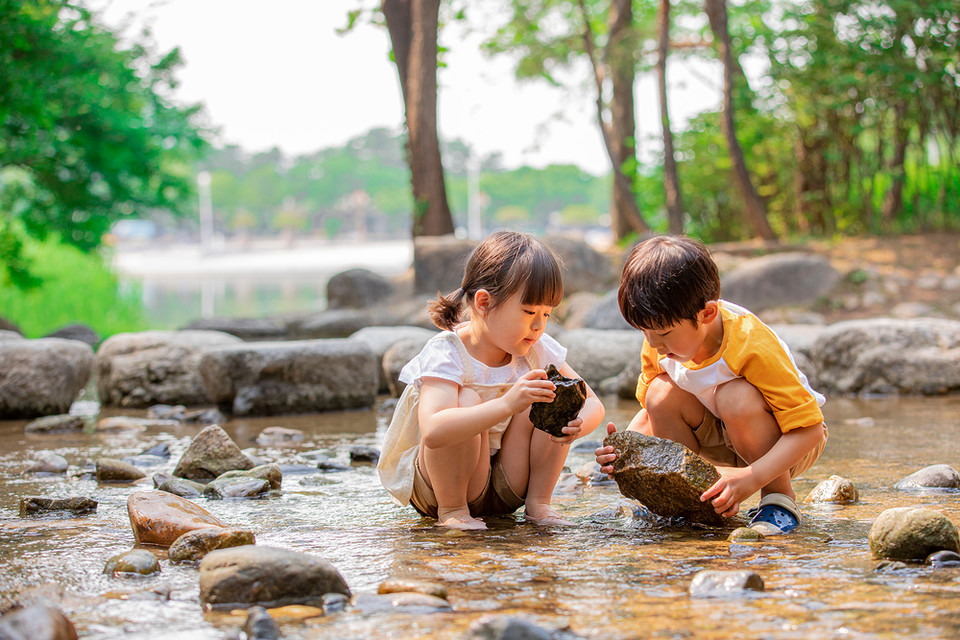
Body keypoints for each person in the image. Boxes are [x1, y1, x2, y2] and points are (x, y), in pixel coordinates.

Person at [595, 235, 827, 535]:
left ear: (707, 314)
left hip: (783, 442)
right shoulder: (659, 343)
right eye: (644, 331)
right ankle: (693, 497)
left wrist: (753, 477)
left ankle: (778, 498)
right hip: (719, 435)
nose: (652, 343)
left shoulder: (750, 344)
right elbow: (649, 413)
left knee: (734, 395)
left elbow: (810, 430)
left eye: (663, 333)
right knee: (660, 392)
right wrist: (625, 452)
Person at [378, 231, 605, 530]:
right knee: (467, 400)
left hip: (506, 487)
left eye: (547, 314)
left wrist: (577, 424)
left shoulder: (537, 350)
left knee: (550, 393)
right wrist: (508, 403)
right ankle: (453, 511)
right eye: (529, 312)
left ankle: (539, 503)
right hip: (440, 487)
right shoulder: (448, 352)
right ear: (484, 303)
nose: (538, 326)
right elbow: (434, 430)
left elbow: (593, 403)